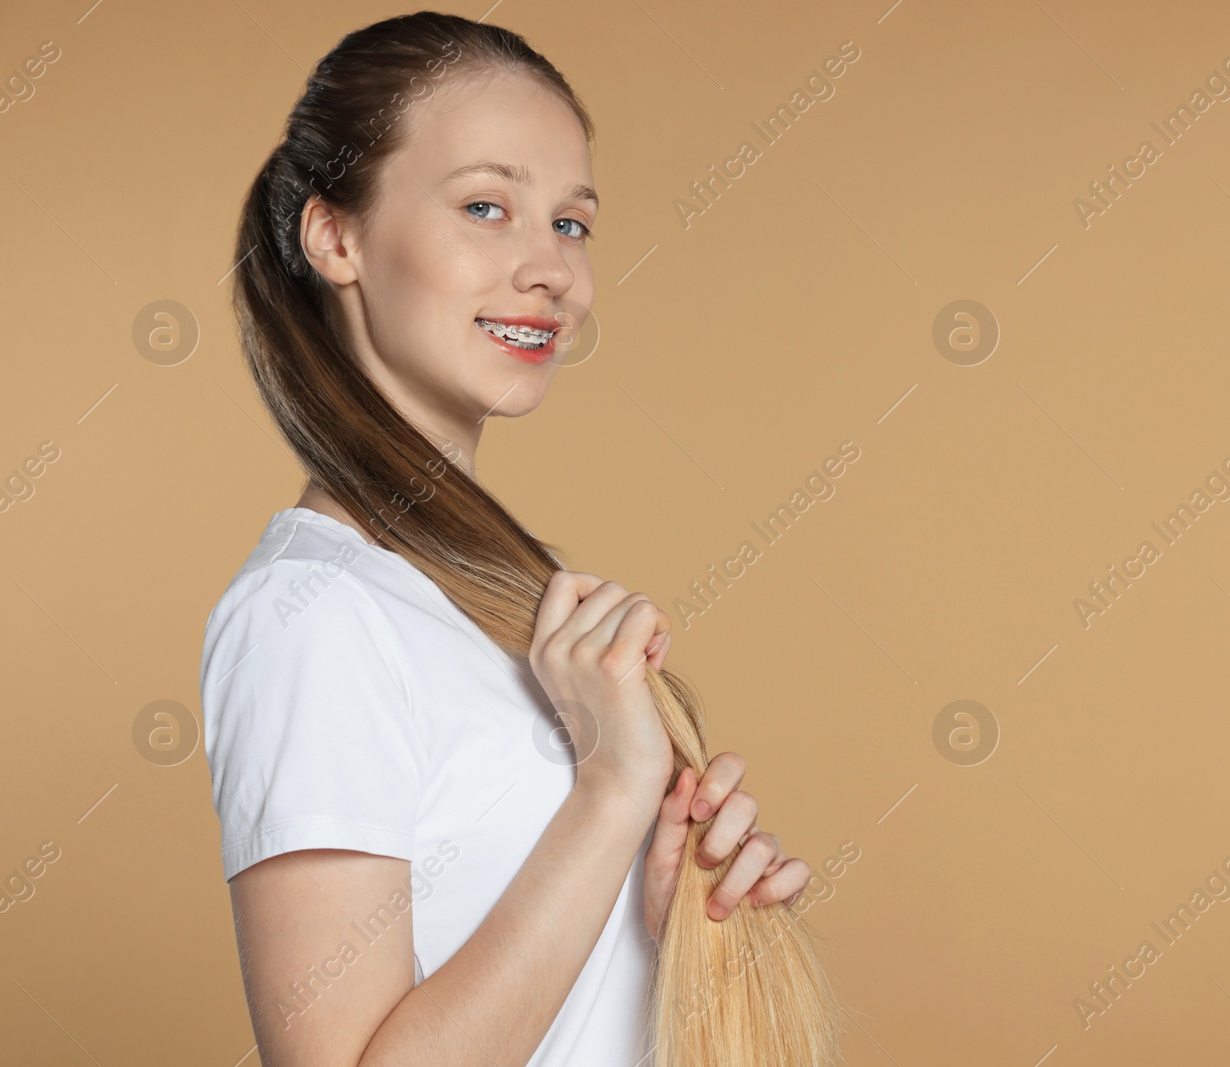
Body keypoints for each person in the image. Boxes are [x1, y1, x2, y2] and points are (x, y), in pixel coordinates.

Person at [200, 13, 816, 1066]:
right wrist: (614, 790)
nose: (551, 271)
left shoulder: (495, 609)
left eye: (571, 224)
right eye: (486, 206)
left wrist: (662, 924)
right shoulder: (311, 616)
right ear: (335, 235)